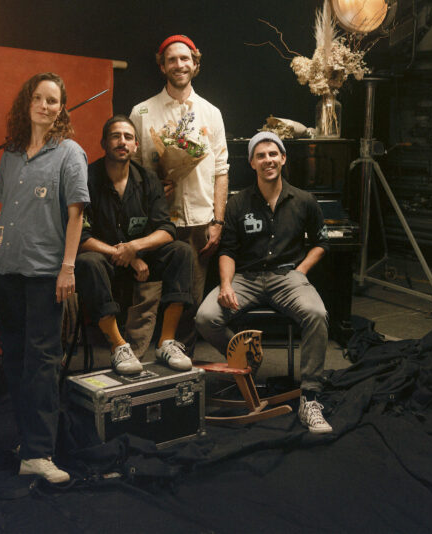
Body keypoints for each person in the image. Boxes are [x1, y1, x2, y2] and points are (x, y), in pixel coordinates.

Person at [0, 72, 89, 482]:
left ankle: (41, 451)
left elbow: (76, 213)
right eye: (39, 99)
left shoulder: (70, 153)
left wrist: (68, 267)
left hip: (46, 273)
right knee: (15, 359)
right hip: (6, 270)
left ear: (62, 108)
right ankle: (26, 441)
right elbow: (6, 208)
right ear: (27, 103)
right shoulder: (10, 154)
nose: (46, 106)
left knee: (42, 363)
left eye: (54, 101)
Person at [195, 132, 333, 433]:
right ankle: (246, 361)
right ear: (251, 162)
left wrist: (302, 270)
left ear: (283, 158)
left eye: (273, 154)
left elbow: (321, 241)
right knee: (206, 317)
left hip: (287, 277)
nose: (268, 160)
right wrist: (227, 285)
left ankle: (310, 398)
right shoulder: (237, 203)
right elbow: (228, 250)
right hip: (246, 278)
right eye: (261, 155)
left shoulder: (304, 200)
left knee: (317, 315)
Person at [129, 34, 229, 356]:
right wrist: (153, 184)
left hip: (199, 220)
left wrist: (218, 220)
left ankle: (180, 364)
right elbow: (129, 172)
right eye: (171, 59)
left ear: (195, 63)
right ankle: (136, 363)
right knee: (147, 297)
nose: (179, 65)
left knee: (190, 299)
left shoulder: (211, 113)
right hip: (156, 224)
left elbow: (221, 170)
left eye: (185, 59)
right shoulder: (142, 112)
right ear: (162, 66)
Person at [76, 115, 194, 374]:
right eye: (115, 136)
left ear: (136, 146)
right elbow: (81, 237)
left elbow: (167, 230)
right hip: (103, 257)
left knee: (182, 252)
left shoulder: (148, 179)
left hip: (140, 255)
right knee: (87, 262)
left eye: (128, 137)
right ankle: (119, 346)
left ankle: (166, 342)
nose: (122, 141)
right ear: (104, 143)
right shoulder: (87, 178)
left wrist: (135, 247)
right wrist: (125, 254)